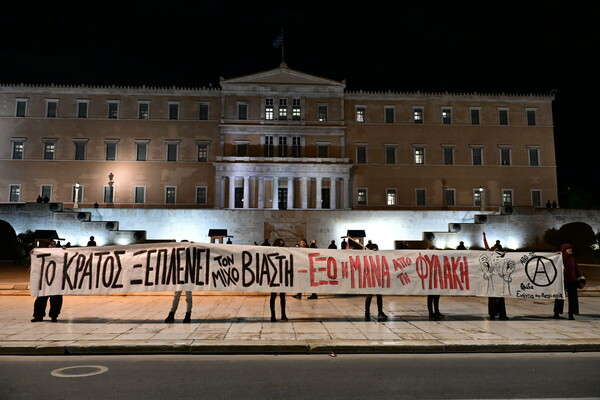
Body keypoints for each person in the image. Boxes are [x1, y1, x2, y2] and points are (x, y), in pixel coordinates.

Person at [31, 241, 63, 322]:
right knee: (41, 299)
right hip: (44, 281)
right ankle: (38, 316)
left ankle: (54, 316)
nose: (52, 246)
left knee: (56, 300)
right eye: (51, 244)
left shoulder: (60, 253)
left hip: (56, 280)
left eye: (54, 245)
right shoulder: (42, 253)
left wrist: (65, 251)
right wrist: (33, 253)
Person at [483, 232, 509, 320]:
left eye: (498, 250)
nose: (496, 251)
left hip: (500, 279)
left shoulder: (502, 256)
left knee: (501, 297)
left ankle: (502, 314)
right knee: (492, 297)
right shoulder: (489, 255)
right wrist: (484, 237)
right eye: (495, 250)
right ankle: (492, 313)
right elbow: (486, 246)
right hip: (492, 278)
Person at [553, 243, 581, 320]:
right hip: (562, 280)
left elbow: (576, 268)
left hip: (572, 281)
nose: (570, 249)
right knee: (559, 297)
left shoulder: (573, 258)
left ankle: (571, 314)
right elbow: (551, 262)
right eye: (568, 248)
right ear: (564, 250)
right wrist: (555, 255)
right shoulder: (560, 258)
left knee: (573, 298)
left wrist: (579, 277)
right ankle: (556, 313)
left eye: (570, 248)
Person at [364, 241, 387, 321]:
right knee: (369, 295)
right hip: (371, 278)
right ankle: (367, 312)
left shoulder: (379, 257)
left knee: (379, 296)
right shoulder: (367, 258)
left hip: (378, 278)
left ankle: (380, 311)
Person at [270, 238, 288, 322]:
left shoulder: (285, 252)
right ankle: (273, 315)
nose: (281, 245)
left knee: (282, 297)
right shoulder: (271, 251)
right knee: (273, 296)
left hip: (282, 276)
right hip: (274, 276)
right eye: (279, 244)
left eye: (282, 244)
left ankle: (283, 314)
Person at [426, 246, 444, 319]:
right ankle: (431, 313)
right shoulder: (427, 257)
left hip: (436, 279)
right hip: (430, 280)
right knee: (431, 297)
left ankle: (436, 311)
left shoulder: (437, 258)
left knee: (436, 297)